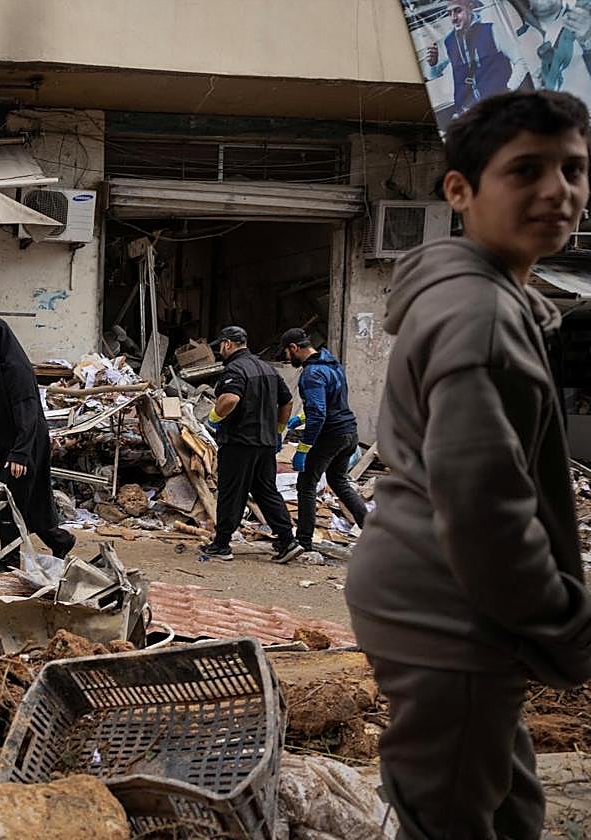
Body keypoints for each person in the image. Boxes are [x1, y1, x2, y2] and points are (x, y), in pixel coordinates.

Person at [347, 91, 591, 839]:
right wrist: (564, 627)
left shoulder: (487, 297)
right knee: (450, 814)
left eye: (575, 169)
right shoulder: (479, 314)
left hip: (432, 587)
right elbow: (485, 510)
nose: (559, 191)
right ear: (460, 191)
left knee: (509, 806)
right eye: (526, 171)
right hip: (448, 606)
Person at [0, 316, 75, 567]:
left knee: (9, 502)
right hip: (5, 445)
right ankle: (60, 540)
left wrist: (20, 454)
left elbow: (28, 413)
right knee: (27, 503)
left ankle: (10, 559)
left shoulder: (16, 370)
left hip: (25, 445)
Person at [200, 325, 302, 564]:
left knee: (231, 491)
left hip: (239, 442)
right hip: (265, 443)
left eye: (221, 347)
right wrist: (277, 431)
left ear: (227, 344)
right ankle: (288, 540)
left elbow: (230, 398)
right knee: (266, 491)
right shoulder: (267, 368)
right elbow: (287, 402)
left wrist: (213, 419)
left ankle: (222, 544)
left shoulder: (235, 368)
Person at [278, 328, 367, 552]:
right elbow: (330, 402)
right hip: (349, 432)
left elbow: (319, 412)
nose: (287, 359)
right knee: (338, 481)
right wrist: (300, 417)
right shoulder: (332, 363)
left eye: (287, 354)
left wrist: (304, 448)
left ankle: (304, 543)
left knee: (306, 485)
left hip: (331, 436)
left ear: (294, 348)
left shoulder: (311, 373)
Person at [426, 0, 519, 113]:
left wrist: (509, 89)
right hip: (469, 114)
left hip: (499, 107)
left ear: (470, 8)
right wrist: (432, 64)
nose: (453, 18)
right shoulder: (448, 42)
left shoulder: (491, 30)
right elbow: (432, 75)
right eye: (449, 13)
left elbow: (520, 60)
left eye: (458, 11)